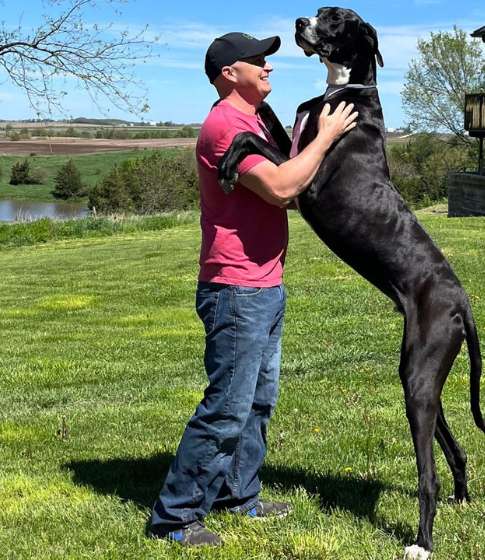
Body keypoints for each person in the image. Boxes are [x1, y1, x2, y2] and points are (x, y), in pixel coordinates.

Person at [147, 32, 358, 547]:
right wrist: (326, 136)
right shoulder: (224, 126)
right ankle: (174, 517)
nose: (268, 67)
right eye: (258, 61)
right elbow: (285, 186)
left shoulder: (259, 120)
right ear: (227, 74)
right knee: (227, 405)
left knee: (258, 401)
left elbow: (290, 182)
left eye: (268, 60)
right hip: (235, 287)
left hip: (265, 281)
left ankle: (238, 493)